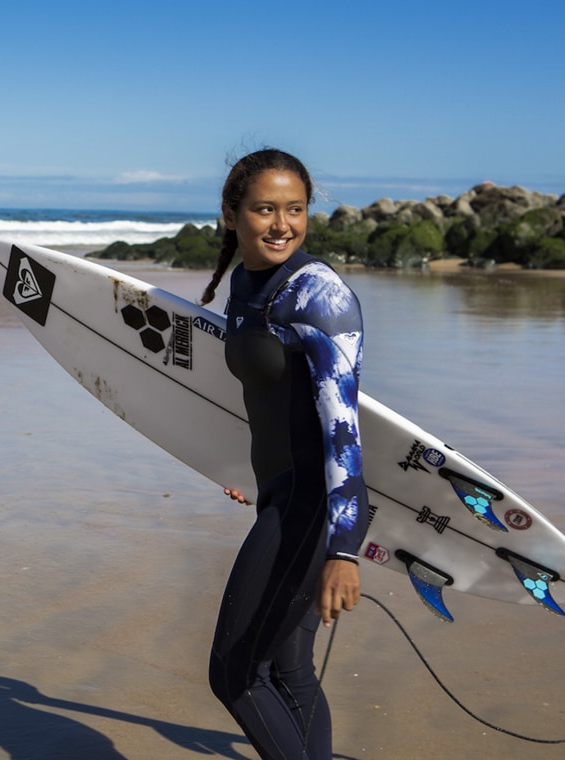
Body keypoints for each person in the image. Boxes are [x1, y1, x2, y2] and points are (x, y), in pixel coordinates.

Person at [199, 149, 367, 760]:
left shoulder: (317, 296)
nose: (281, 225)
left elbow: (343, 436)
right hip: (277, 491)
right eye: (264, 209)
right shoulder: (245, 283)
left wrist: (344, 551)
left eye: (294, 210)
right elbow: (263, 400)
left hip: (311, 508)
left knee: (236, 675)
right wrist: (247, 471)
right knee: (289, 673)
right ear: (231, 214)